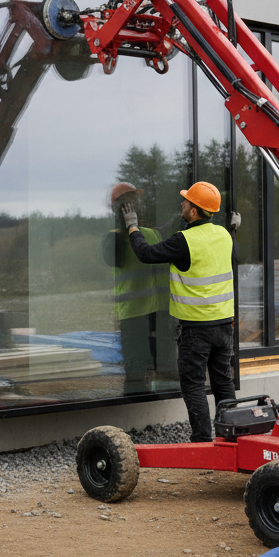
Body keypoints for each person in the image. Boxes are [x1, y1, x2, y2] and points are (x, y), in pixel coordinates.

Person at [120, 181, 235, 442]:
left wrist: (132, 226)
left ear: (194, 211)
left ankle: (203, 441)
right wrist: (235, 228)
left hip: (196, 329)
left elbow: (146, 253)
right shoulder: (224, 235)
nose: (181, 203)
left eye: (186, 201)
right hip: (223, 325)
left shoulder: (185, 241)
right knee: (223, 383)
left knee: (193, 385)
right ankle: (232, 437)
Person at [102, 182, 169, 394]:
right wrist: (131, 228)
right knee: (149, 369)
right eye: (130, 203)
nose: (134, 206)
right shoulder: (121, 237)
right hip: (147, 314)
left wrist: (131, 228)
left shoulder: (144, 235)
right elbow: (116, 259)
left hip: (143, 314)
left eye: (134, 202)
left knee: (144, 370)